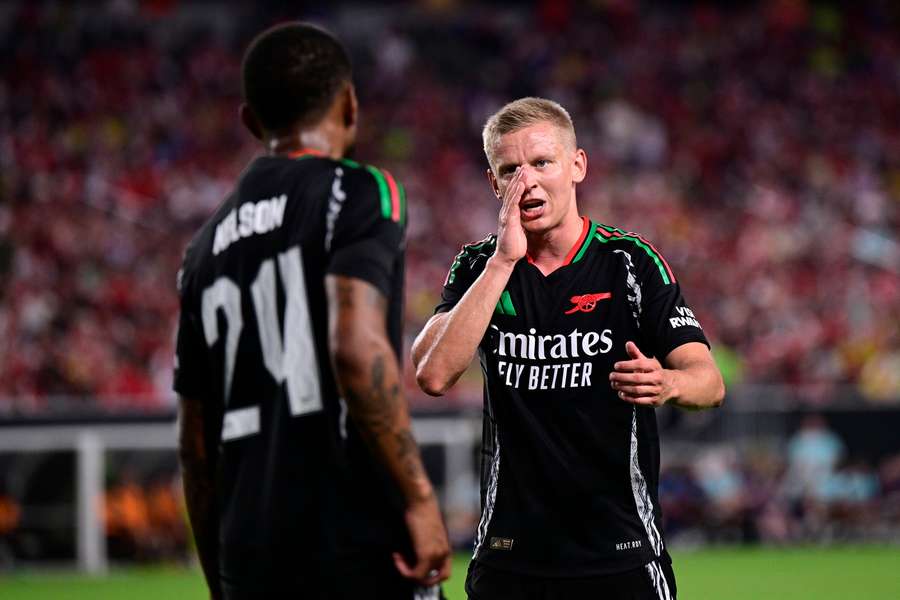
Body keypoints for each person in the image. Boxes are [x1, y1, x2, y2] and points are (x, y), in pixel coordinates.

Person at [174, 22, 450, 599]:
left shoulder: (203, 248)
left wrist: (220, 578)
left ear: (251, 122)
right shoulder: (359, 191)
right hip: (351, 541)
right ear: (350, 104)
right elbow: (355, 348)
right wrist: (420, 499)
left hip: (250, 555)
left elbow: (196, 445)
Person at [412, 97, 725, 599]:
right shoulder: (477, 267)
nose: (528, 180)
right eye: (510, 169)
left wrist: (666, 382)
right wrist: (503, 261)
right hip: (510, 553)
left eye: (542, 162)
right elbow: (432, 374)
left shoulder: (630, 262)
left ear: (577, 165)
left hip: (621, 549)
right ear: (495, 185)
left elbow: (709, 382)